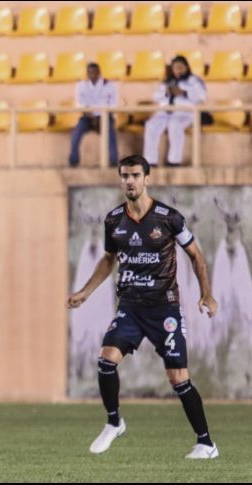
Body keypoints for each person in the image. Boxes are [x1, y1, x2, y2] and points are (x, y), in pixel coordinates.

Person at [68, 155, 219, 459]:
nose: (130, 181)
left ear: (147, 179)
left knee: (179, 379)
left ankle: (206, 443)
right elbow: (109, 259)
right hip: (131, 308)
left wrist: (207, 294)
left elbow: (196, 256)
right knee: (106, 360)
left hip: (165, 310)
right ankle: (114, 423)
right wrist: (85, 291)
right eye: (124, 176)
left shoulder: (169, 218)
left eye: (135, 175)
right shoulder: (113, 220)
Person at [143, 55, 206, 166]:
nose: (178, 70)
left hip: (184, 113)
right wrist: (167, 92)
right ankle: (150, 160)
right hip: (165, 112)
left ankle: (174, 161)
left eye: (181, 67)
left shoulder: (194, 80)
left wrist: (184, 92)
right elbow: (156, 97)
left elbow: (201, 96)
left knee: (175, 125)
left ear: (186, 67)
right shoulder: (167, 81)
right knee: (151, 125)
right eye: (176, 68)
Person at [69, 63, 118, 167]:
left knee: (110, 132)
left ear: (99, 72)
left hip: (104, 116)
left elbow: (113, 105)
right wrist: (90, 116)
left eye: (95, 72)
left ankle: (114, 161)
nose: (92, 75)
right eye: (90, 72)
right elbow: (80, 104)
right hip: (88, 117)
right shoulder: (81, 85)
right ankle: (73, 161)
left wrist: (101, 116)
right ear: (87, 73)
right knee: (76, 132)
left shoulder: (110, 85)